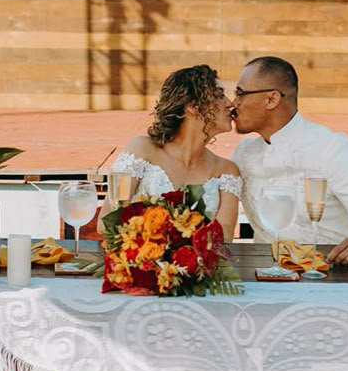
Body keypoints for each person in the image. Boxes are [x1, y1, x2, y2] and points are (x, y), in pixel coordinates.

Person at [231, 56, 348, 265]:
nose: (234, 104)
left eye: (240, 94)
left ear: (272, 99)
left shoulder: (331, 149)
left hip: (339, 279)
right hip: (269, 278)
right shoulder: (243, 154)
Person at [98, 64, 241, 242]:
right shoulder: (142, 149)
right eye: (219, 96)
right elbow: (106, 221)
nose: (230, 103)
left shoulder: (227, 171)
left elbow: (225, 235)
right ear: (193, 106)